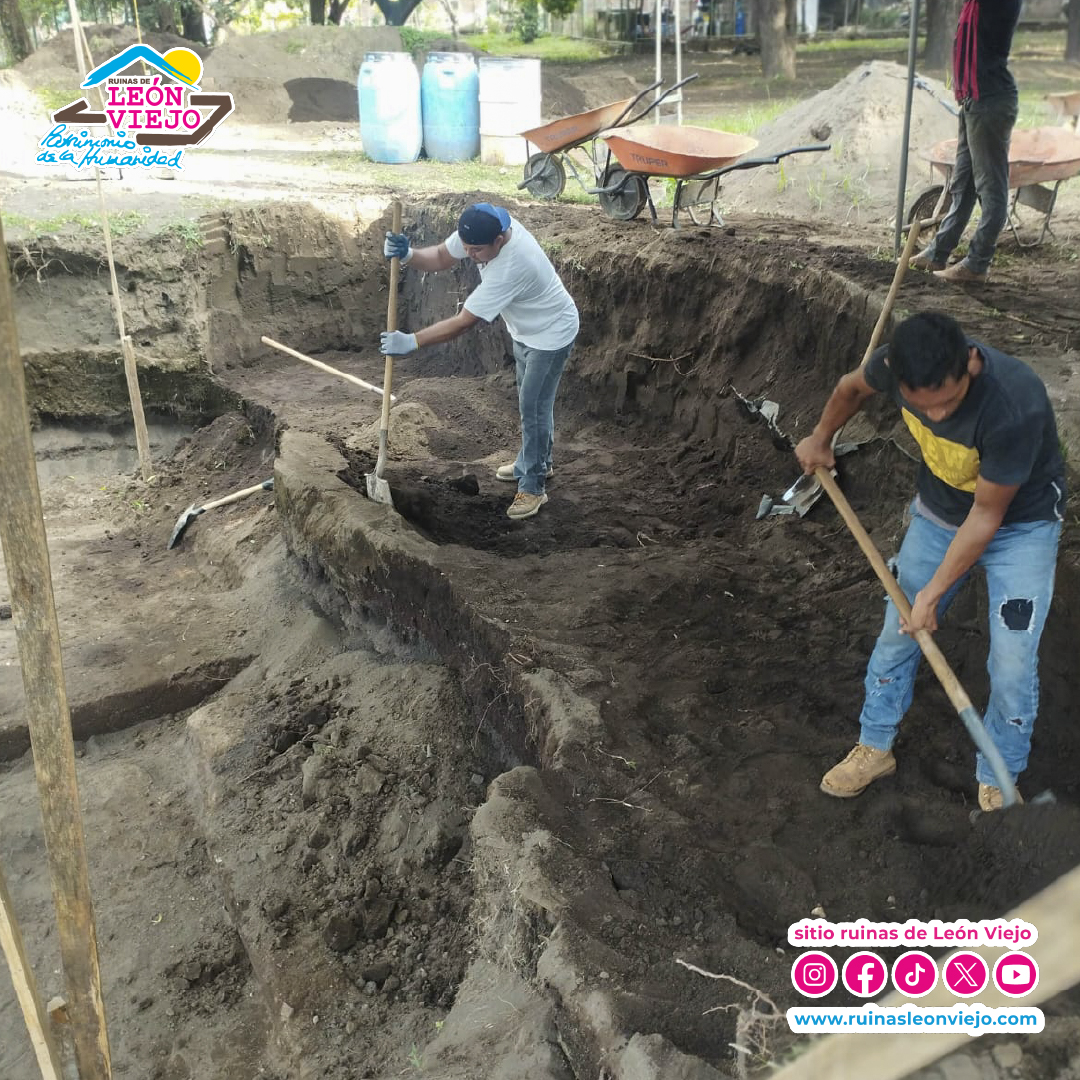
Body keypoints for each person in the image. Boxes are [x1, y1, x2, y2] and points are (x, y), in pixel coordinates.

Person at [795, 312, 1065, 811]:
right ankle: (874, 746)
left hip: (1019, 524)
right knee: (898, 631)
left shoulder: (1013, 403)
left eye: (949, 403)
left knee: (1011, 662)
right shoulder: (891, 366)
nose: (938, 417)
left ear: (970, 365)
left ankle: (999, 778)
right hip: (941, 515)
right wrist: (820, 437)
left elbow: (987, 517)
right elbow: (849, 389)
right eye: (924, 408)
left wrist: (932, 594)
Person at [380, 203, 579, 521]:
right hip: (526, 331)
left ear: (499, 240)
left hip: (551, 336)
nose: (470, 255)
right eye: (467, 247)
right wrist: (409, 255)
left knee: (534, 408)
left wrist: (412, 341)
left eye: (477, 250)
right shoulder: (481, 229)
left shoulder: (513, 266)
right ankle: (536, 459)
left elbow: (463, 322)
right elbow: (443, 257)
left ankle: (533, 486)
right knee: (532, 405)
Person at [909, 0, 1022, 284]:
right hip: (974, 101)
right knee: (963, 185)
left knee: (991, 191)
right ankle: (938, 251)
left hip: (990, 101)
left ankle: (977, 264)